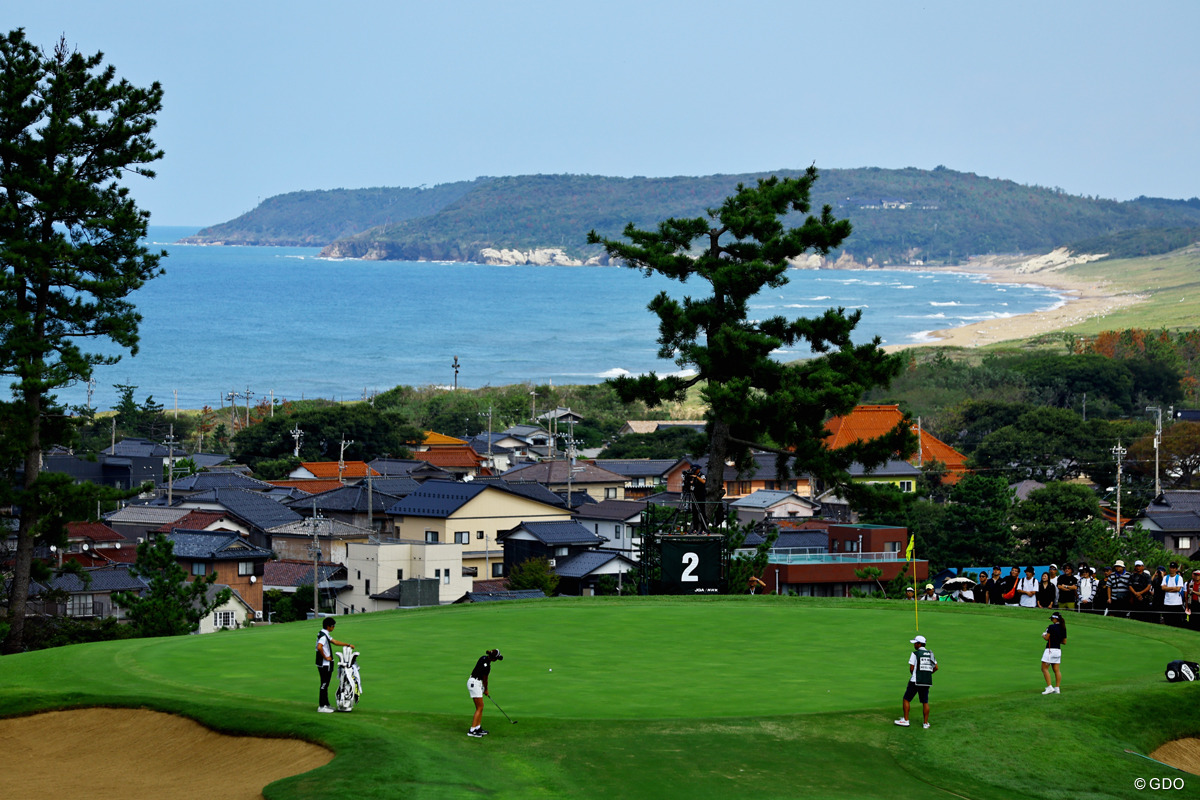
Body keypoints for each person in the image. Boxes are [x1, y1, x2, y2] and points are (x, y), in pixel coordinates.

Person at [895, 634, 938, 728]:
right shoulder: (930, 653)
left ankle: (906, 720)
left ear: (919, 644)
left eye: (915, 643)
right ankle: (925, 723)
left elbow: (911, 668)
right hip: (926, 681)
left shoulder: (915, 653)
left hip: (915, 680)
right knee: (925, 702)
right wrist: (927, 675)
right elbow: (936, 668)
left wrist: (915, 674)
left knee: (906, 699)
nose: (914, 645)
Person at [315, 617, 354, 713]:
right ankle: (321, 706)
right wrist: (326, 657)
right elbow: (319, 647)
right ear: (328, 626)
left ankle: (326, 704)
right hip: (324, 664)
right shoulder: (323, 636)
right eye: (333, 626)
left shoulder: (324, 633)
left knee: (326, 684)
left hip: (325, 664)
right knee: (324, 684)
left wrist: (347, 645)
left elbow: (335, 642)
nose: (334, 627)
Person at [468, 648, 503, 737]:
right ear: (494, 658)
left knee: (480, 706)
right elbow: (485, 680)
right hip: (474, 683)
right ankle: (472, 730)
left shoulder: (483, 658)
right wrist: (486, 689)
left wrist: (482, 688)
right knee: (479, 707)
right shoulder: (487, 666)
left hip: (476, 683)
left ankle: (477, 727)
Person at [1040, 611, 1067, 694]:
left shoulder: (1051, 627)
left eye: (1052, 619)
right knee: (1056, 670)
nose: (1052, 620)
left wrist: (1043, 635)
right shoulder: (1063, 628)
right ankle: (1057, 688)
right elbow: (1064, 642)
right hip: (1058, 650)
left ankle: (1049, 687)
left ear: (1055, 619)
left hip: (1050, 650)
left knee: (1044, 668)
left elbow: (1047, 638)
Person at [1161, 562, 1186, 627]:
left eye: (1173, 568)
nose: (1172, 569)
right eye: (1171, 568)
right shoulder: (1166, 577)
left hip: (1176, 603)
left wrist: (1168, 588)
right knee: (1167, 620)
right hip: (1167, 602)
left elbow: (1178, 589)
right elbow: (1163, 588)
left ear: (1176, 569)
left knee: (1176, 621)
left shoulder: (1179, 578)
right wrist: (1173, 588)